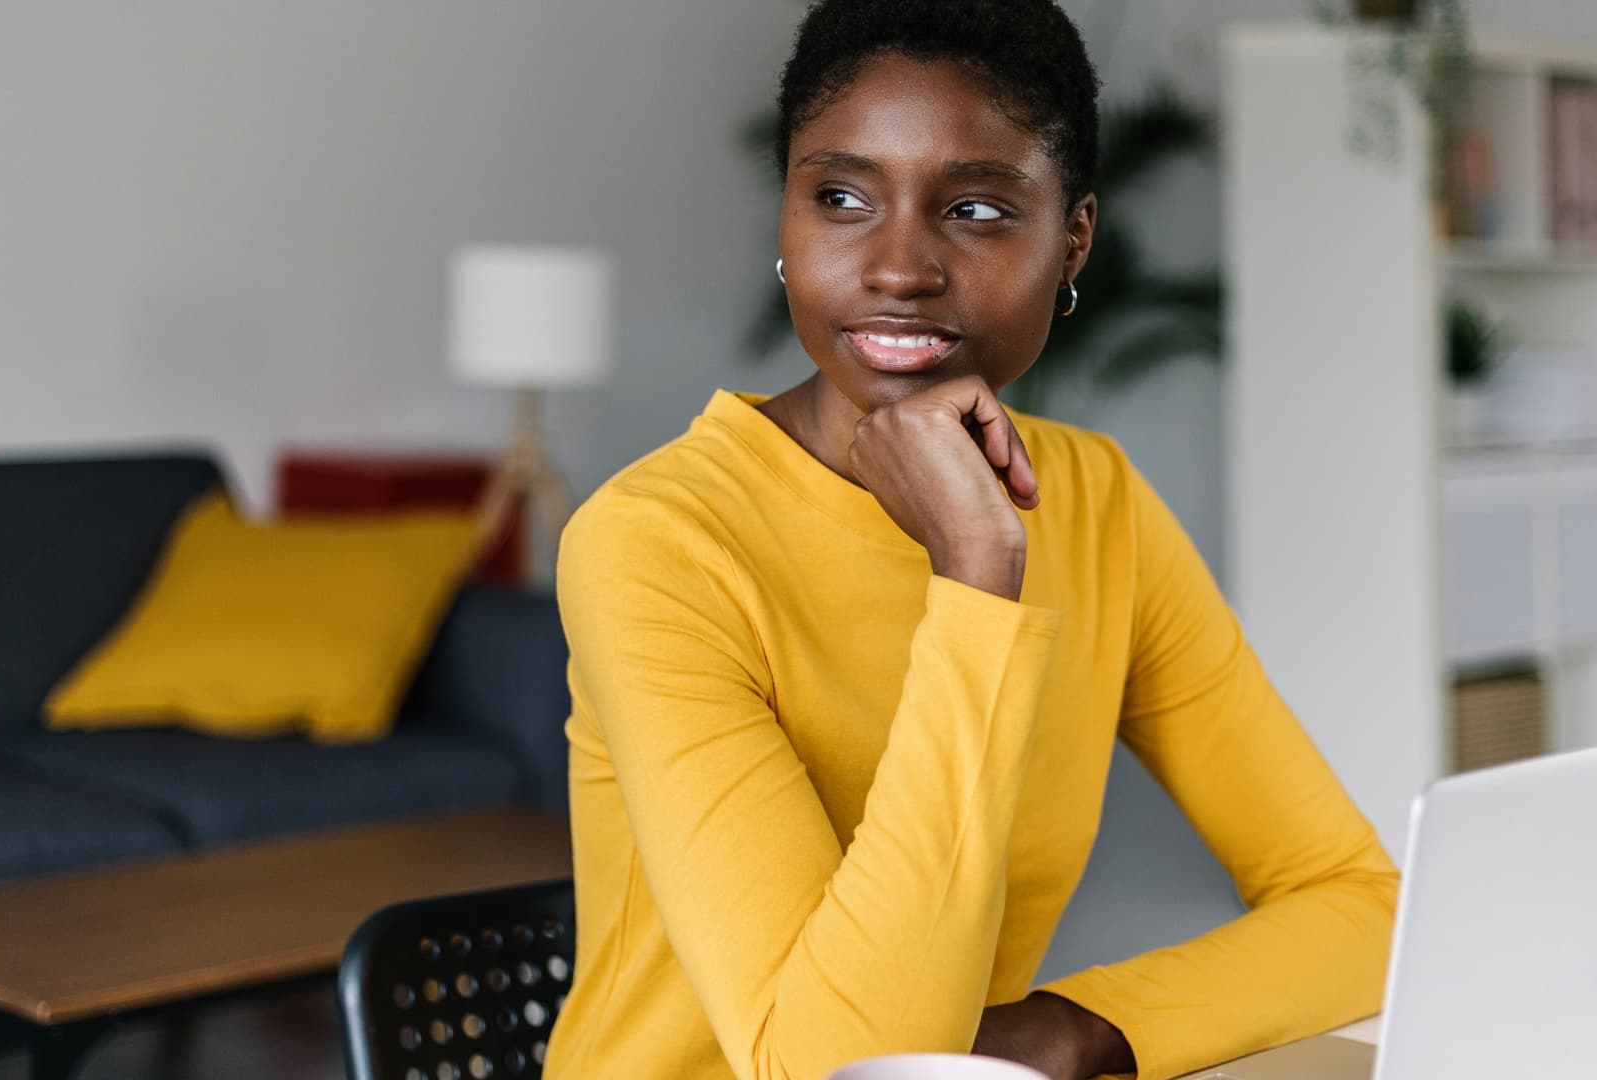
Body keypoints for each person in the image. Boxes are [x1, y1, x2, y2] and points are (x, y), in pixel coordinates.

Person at [545, 2, 1399, 1077]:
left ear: (1073, 237)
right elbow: (834, 1064)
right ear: (787, 220)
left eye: (979, 210)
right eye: (841, 197)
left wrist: (1080, 1028)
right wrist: (976, 581)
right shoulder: (656, 543)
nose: (899, 266)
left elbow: (1363, 905)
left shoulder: (1098, 502)